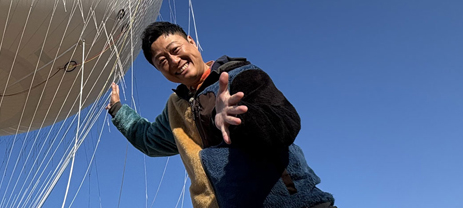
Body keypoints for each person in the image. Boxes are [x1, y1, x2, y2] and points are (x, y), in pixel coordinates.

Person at [108, 21, 335, 208]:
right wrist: (118, 111)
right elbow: (149, 139)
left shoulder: (240, 75)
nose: (174, 61)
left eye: (175, 50)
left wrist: (239, 118)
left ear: (191, 42)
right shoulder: (175, 108)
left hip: (293, 203)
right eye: (162, 61)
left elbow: (285, 123)